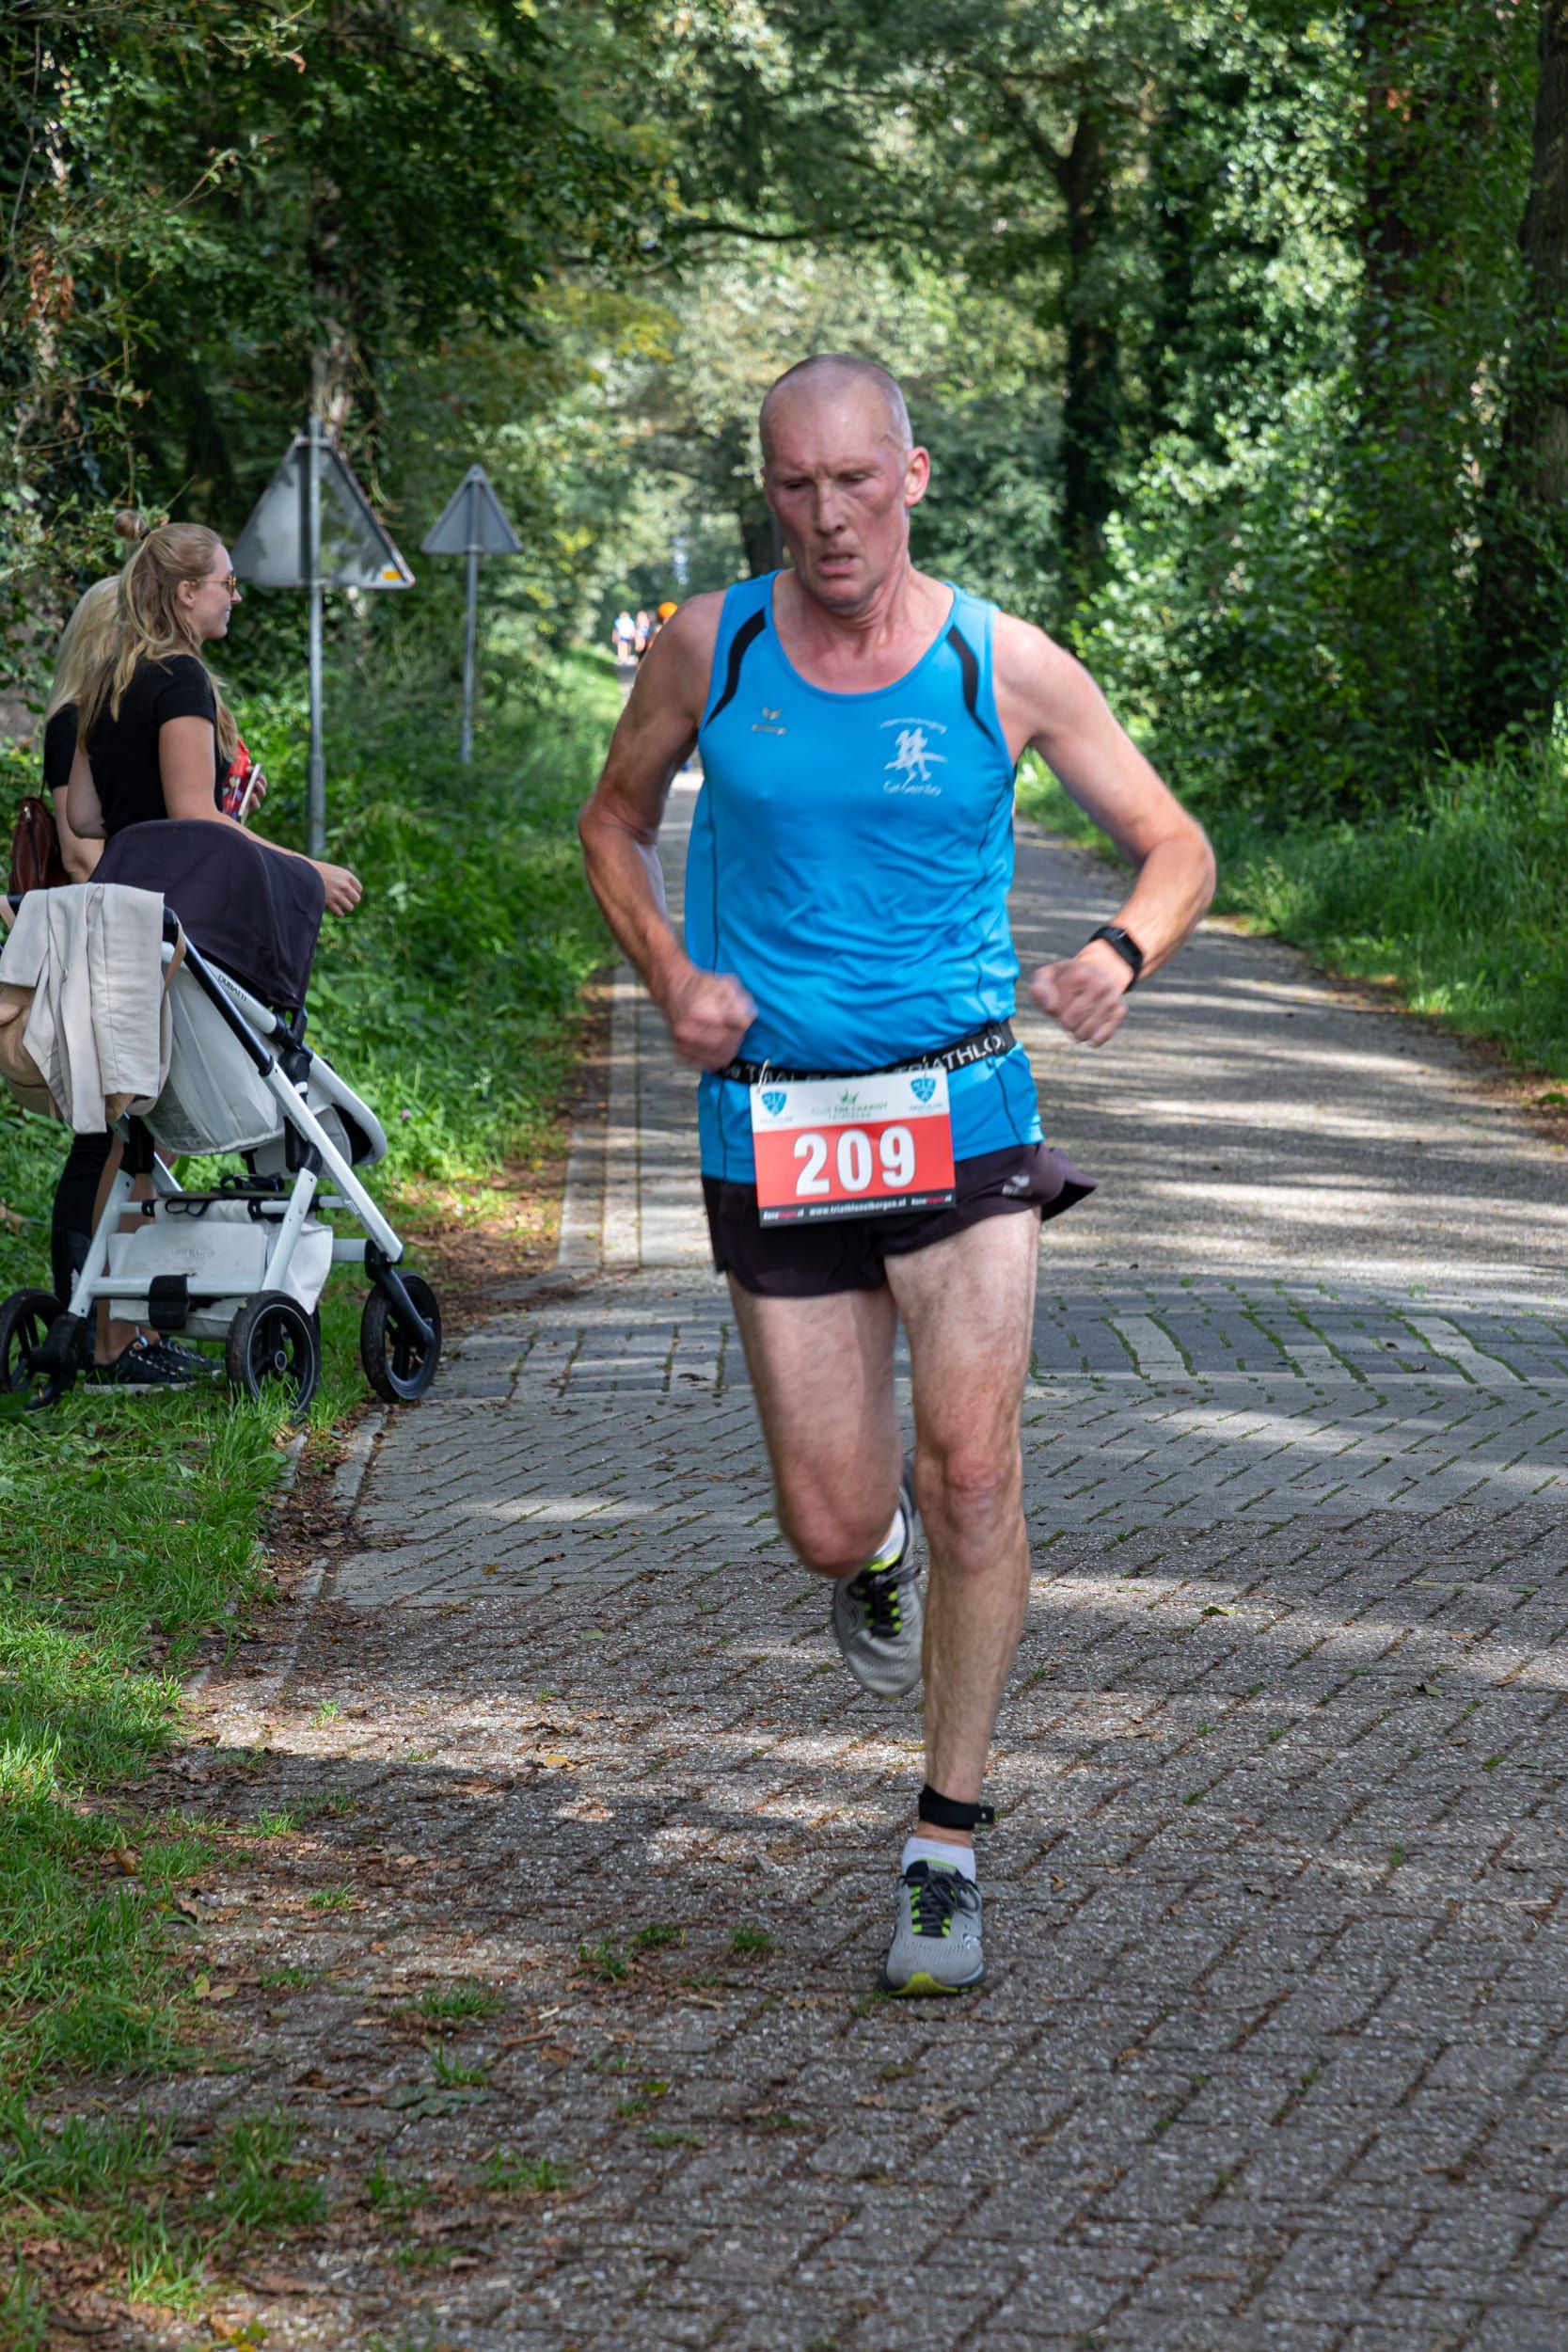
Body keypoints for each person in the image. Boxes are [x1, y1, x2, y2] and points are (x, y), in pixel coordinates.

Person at [579, 354, 1215, 1994]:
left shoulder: (996, 661)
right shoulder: (705, 645)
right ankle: (869, 1560)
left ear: (912, 475)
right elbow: (611, 821)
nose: (827, 516)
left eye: (855, 482)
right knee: (830, 1515)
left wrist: (1119, 951)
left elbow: (1175, 842)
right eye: (794, 487)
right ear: (767, 490)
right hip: (777, 1117)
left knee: (977, 1476)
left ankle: (944, 1843)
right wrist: (669, 978)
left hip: (960, 1114)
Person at [64, 515, 361, 1383]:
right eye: (224, 581)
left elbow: (84, 819)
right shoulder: (182, 677)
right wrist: (309, 869)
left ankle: (113, 1338)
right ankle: (133, 1337)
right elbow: (198, 821)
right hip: (176, 922)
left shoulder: (105, 679)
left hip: (111, 917)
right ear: (187, 593)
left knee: (132, 1130)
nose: (234, 592)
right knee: (162, 1113)